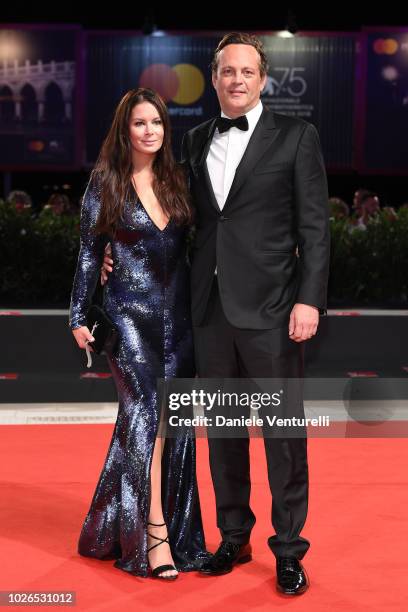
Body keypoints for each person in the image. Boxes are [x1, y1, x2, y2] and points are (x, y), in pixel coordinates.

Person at [103, 33, 330, 595]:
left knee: (283, 435)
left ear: (262, 78)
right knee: (225, 433)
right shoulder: (198, 139)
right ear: (216, 76)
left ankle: (289, 550)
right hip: (208, 311)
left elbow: (315, 229)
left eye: (246, 72)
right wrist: (117, 249)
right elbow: (173, 216)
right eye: (227, 71)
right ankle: (233, 535)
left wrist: (309, 299)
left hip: (275, 311)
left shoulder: (298, 138)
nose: (236, 80)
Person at [69, 87, 208, 580]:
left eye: (157, 123)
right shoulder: (105, 182)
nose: (150, 131)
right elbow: (90, 252)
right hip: (128, 320)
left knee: (174, 427)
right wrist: (78, 315)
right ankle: (152, 537)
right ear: (124, 130)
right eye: (140, 123)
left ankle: (120, 527)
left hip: (180, 325)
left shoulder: (177, 179)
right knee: (145, 417)